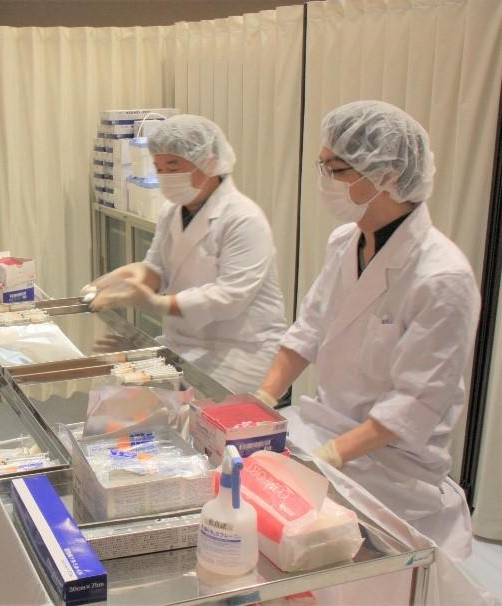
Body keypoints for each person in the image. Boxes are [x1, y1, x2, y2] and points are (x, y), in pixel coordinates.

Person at [256, 101, 479, 561]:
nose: (325, 181)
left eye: (337, 169)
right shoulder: (345, 242)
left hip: (393, 471)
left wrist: (330, 458)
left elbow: (413, 403)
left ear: (387, 175)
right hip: (324, 431)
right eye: (323, 166)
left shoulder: (442, 276)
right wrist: (261, 401)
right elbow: (308, 330)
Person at [89, 114, 287, 393]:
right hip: (183, 341)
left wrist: (158, 304)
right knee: (139, 399)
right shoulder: (171, 211)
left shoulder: (243, 218)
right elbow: (157, 266)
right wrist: (131, 276)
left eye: (173, 166)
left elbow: (230, 297)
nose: (165, 176)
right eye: (158, 168)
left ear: (209, 163)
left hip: (239, 351)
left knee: (208, 417)